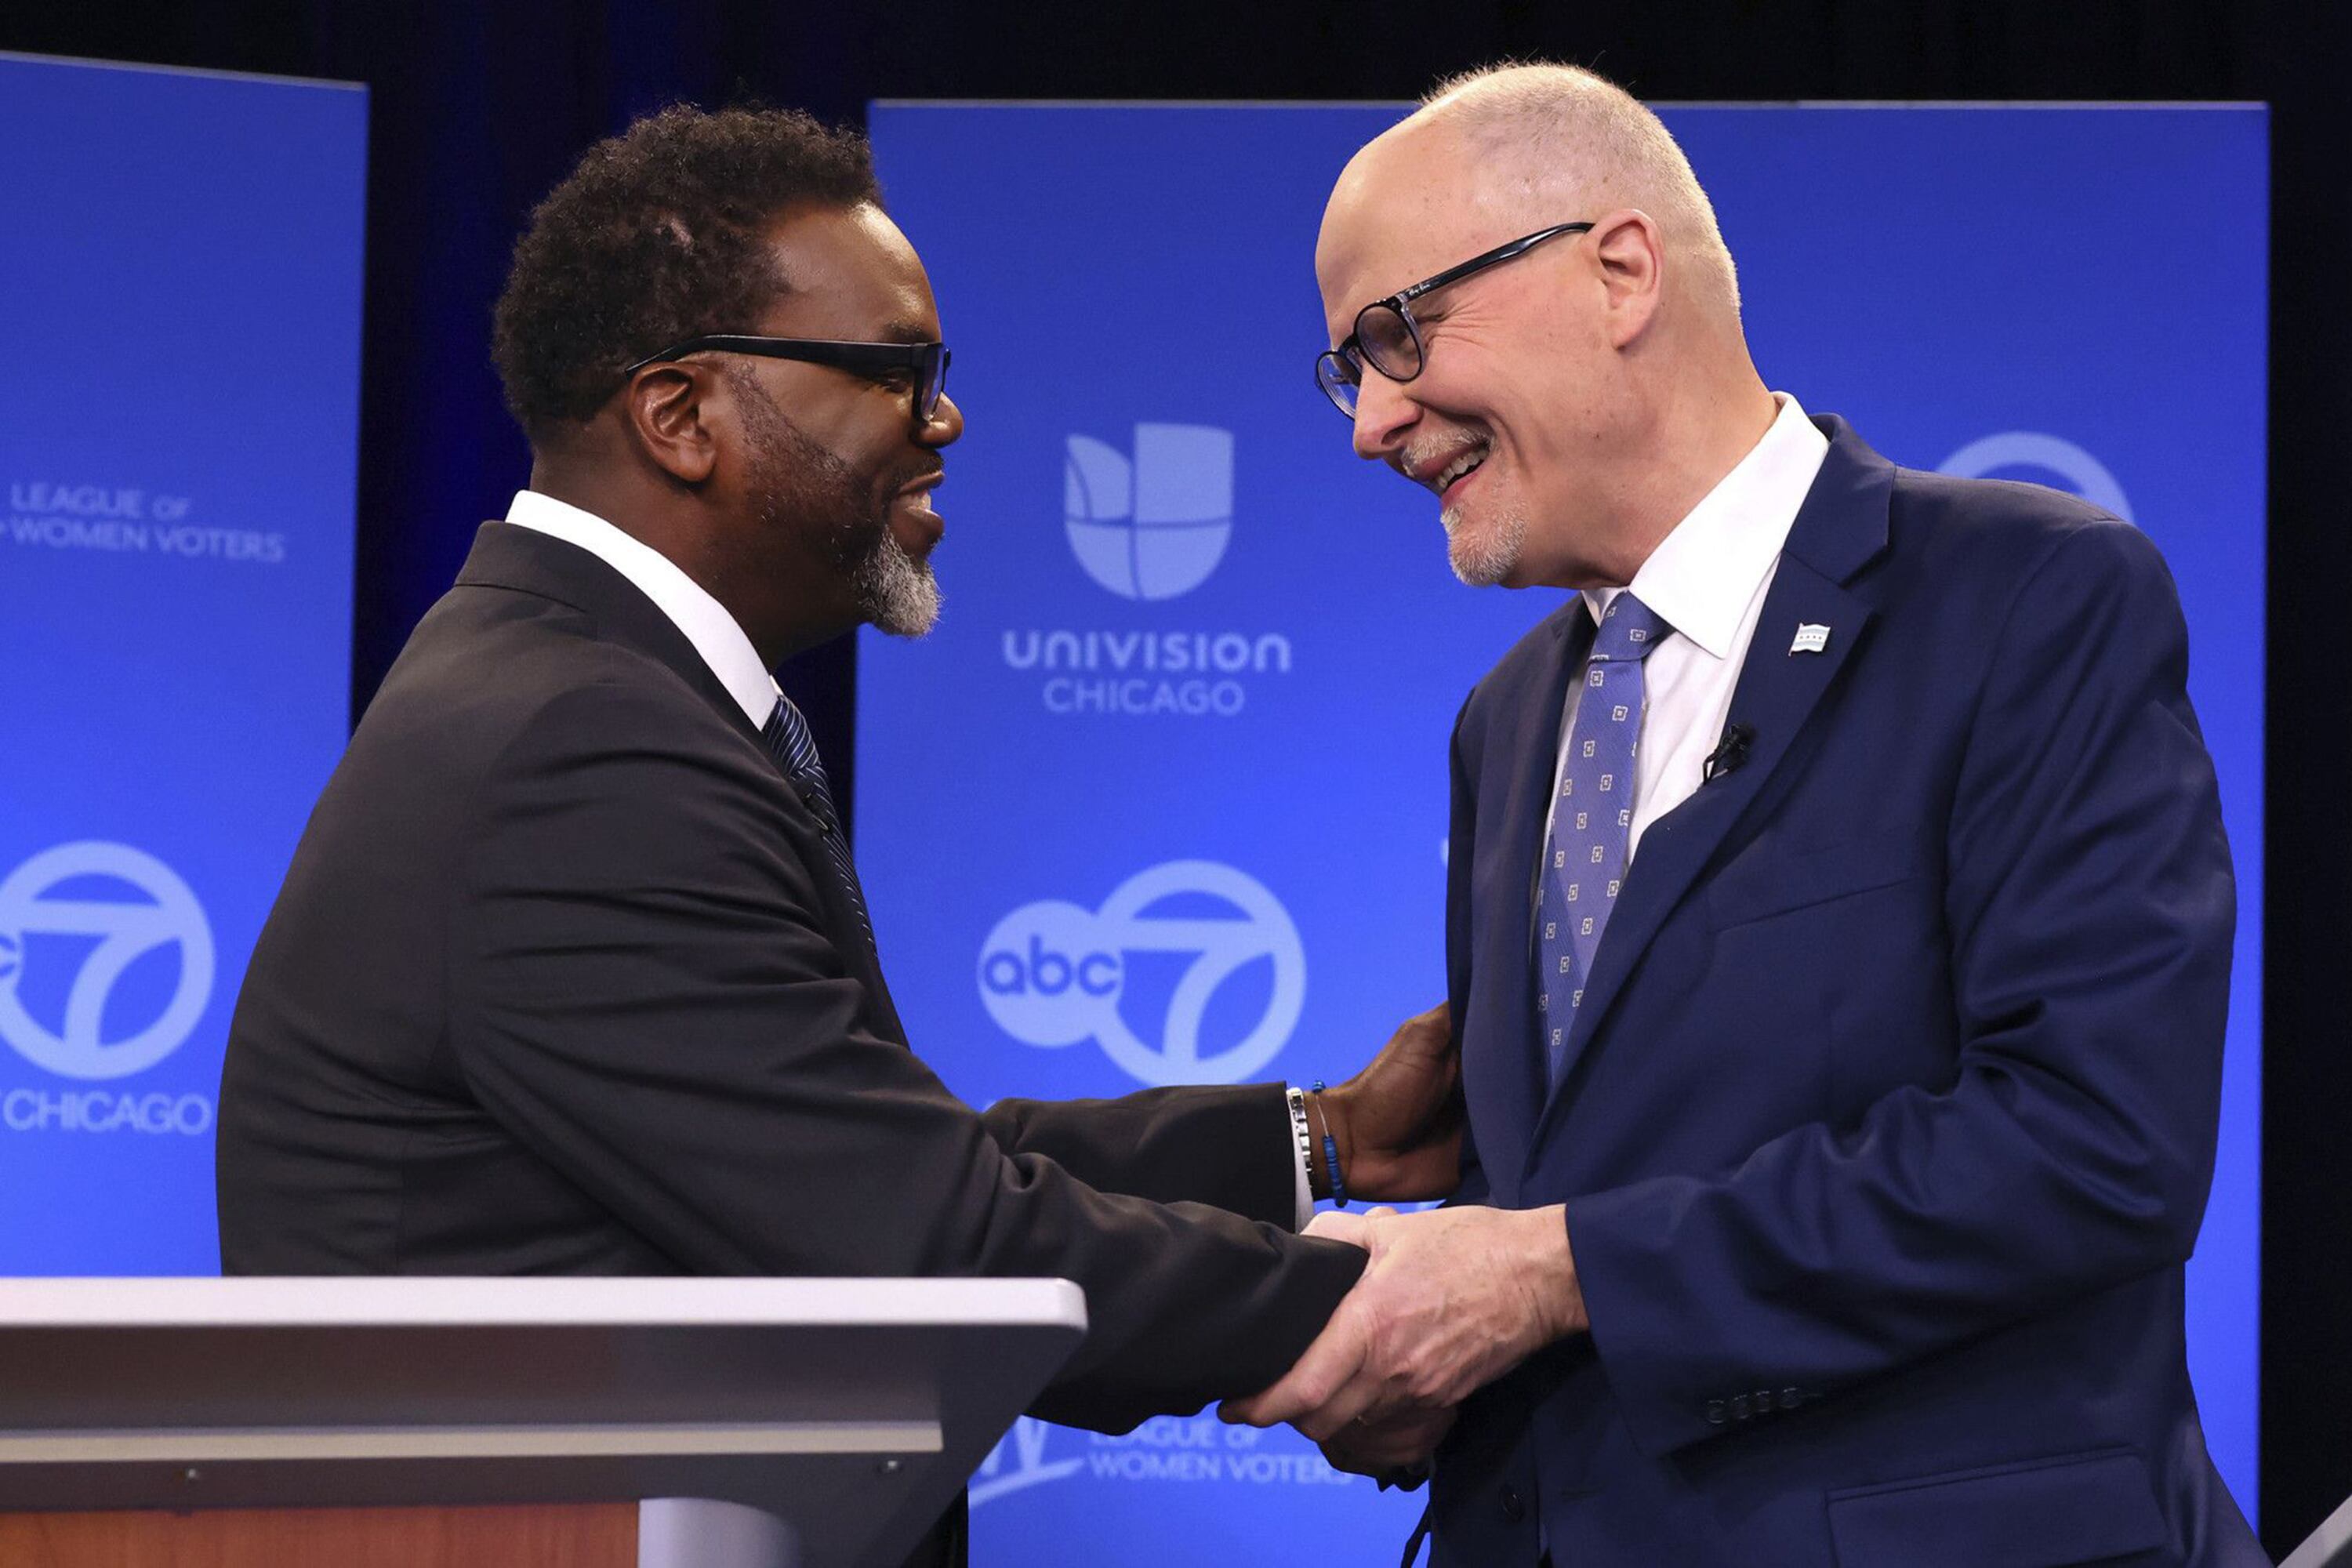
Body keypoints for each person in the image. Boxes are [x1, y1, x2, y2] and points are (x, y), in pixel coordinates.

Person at [213, 105, 1465, 1568]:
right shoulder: (579, 747)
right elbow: (924, 1248)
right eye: (898, 374)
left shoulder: (576, 689)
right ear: (679, 416)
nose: (941, 421)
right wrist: (1376, 1310)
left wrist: (1323, 1142)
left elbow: (861, 1169)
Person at [1221, 63, 2264, 1567]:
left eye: (1398, 333)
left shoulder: (2029, 600)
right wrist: (1419, 1363)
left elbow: (2092, 1143)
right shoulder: (1507, 722)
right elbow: (1568, 1197)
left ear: (1620, 270)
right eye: (1350, 370)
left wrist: (1548, 1274)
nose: (1374, 422)